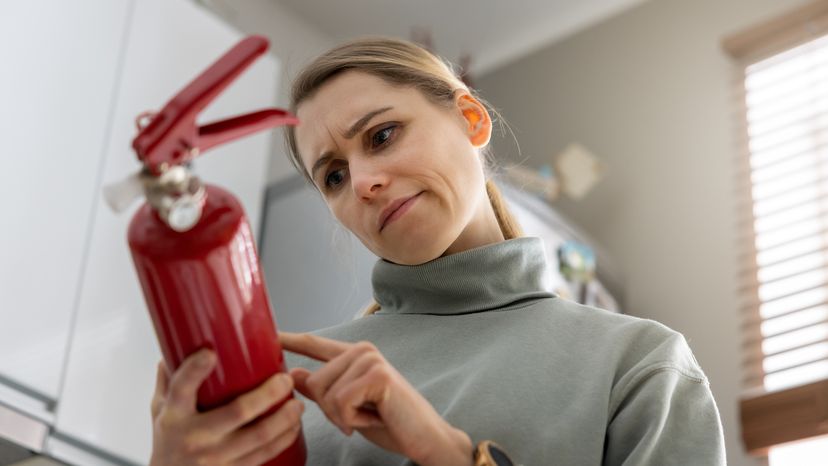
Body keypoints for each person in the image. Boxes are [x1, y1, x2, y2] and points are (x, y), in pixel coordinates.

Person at [148, 37, 726, 466]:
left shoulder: (637, 365)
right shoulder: (289, 385)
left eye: (381, 135)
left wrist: (449, 453)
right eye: (334, 176)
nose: (365, 181)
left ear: (471, 118)